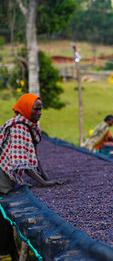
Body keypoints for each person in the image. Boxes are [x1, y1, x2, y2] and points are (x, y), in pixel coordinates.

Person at [0, 93, 61, 260]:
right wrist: (44, 182)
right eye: (36, 109)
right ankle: (6, 253)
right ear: (27, 109)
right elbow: (23, 164)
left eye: (41, 109)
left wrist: (47, 179)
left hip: (7, 176)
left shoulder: (28, 126)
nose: (40, 112)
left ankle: (9, 252)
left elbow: (33, 157)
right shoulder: (18, 127)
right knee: (4, 218)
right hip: (2, 177)